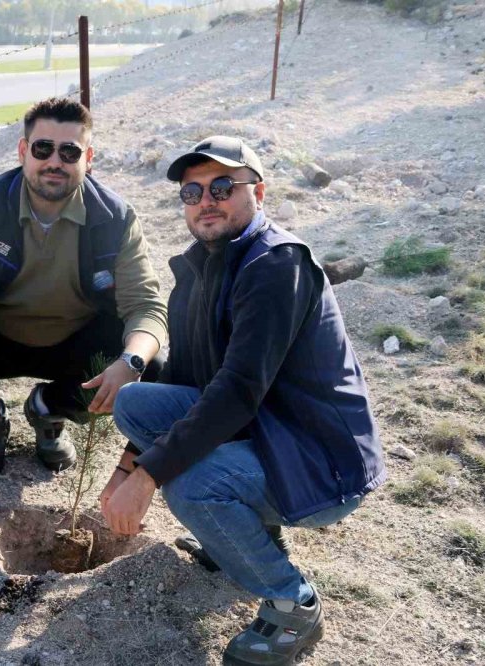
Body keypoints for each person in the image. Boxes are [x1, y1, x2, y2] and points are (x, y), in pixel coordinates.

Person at [102, 136, 386, 666]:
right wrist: (126, 469)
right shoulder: (203, 267)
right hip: (265, 428)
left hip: (318, 458)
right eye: (192, 192)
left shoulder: (277, 265)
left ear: (258, 191)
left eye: (222, 186)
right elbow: (185, 379)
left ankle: (293, 605)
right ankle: (246, 539)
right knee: (135, 403)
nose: (206, 201)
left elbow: (236, 391)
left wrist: (147, 478)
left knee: (192, 487)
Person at [0, 97, 168, 478]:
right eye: (43, 148)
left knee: (150, 366)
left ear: (88, 158)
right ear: (23, 151)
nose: (55, 161)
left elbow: (146, 306)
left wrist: (130, 363)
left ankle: (49, 408)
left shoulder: (115, 219)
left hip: (74, 341)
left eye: (70, 152)